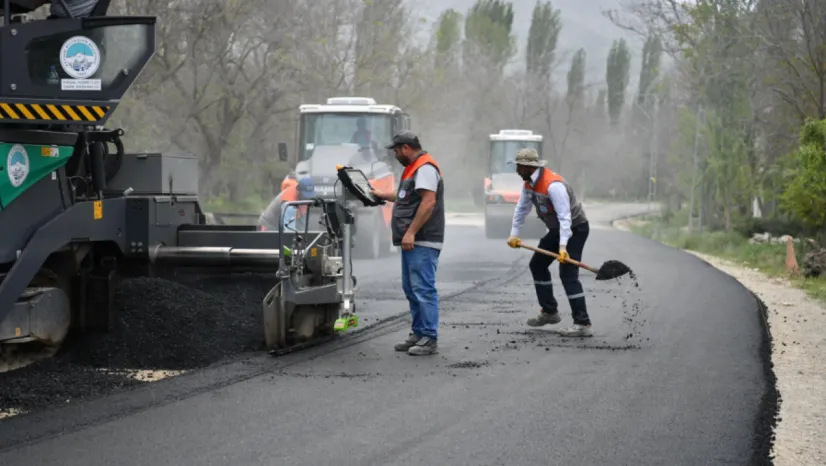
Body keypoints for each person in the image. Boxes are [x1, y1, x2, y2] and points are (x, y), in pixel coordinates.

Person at [370, 130, 444, 356]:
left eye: (395, 150)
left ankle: (429, 338)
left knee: (423, 288)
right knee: (411, 288)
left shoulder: (425, 168)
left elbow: (428, 202)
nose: (394, 154)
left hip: (422, 239)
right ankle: (419, 332)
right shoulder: (413, 170)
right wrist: (381, 194)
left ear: (405, 148)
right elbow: (404, 196)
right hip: (412, 240)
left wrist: (411, 232)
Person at [506, 148, 593, 337]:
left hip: (575, 228)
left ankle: (582, 323)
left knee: (568, 274)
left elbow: (565, 218)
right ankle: (550, 312)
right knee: (537, 264)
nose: (517, 170)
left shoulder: (553, 185)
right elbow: (521, 209)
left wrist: (563, 248)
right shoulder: (529, 184)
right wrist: (514, 234)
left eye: (519, 166)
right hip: (557, 229)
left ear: (529, 167)